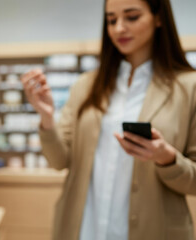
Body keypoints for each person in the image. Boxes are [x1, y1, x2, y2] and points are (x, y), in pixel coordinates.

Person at [21, 0, 196, 239]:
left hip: (153, 229)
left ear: (159, 18)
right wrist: (47, 117)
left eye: (131, 17)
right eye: (111, 20)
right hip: (85, 229)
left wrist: (167, 158)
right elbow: (59, 160)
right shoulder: (86, 85)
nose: (119, 28)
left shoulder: (189, 87)